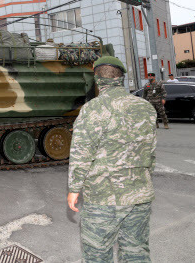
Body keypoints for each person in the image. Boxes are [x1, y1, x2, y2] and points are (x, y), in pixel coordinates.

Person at [67, 56, 157, 262]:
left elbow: (81, 154)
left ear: (97, 79)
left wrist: (74, 189)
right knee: (136, 252)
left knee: (97, 254)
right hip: (140, 194)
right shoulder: (146, 108)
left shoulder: (92, 110)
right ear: (121, 78)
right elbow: (151, 152)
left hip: (103, 198)